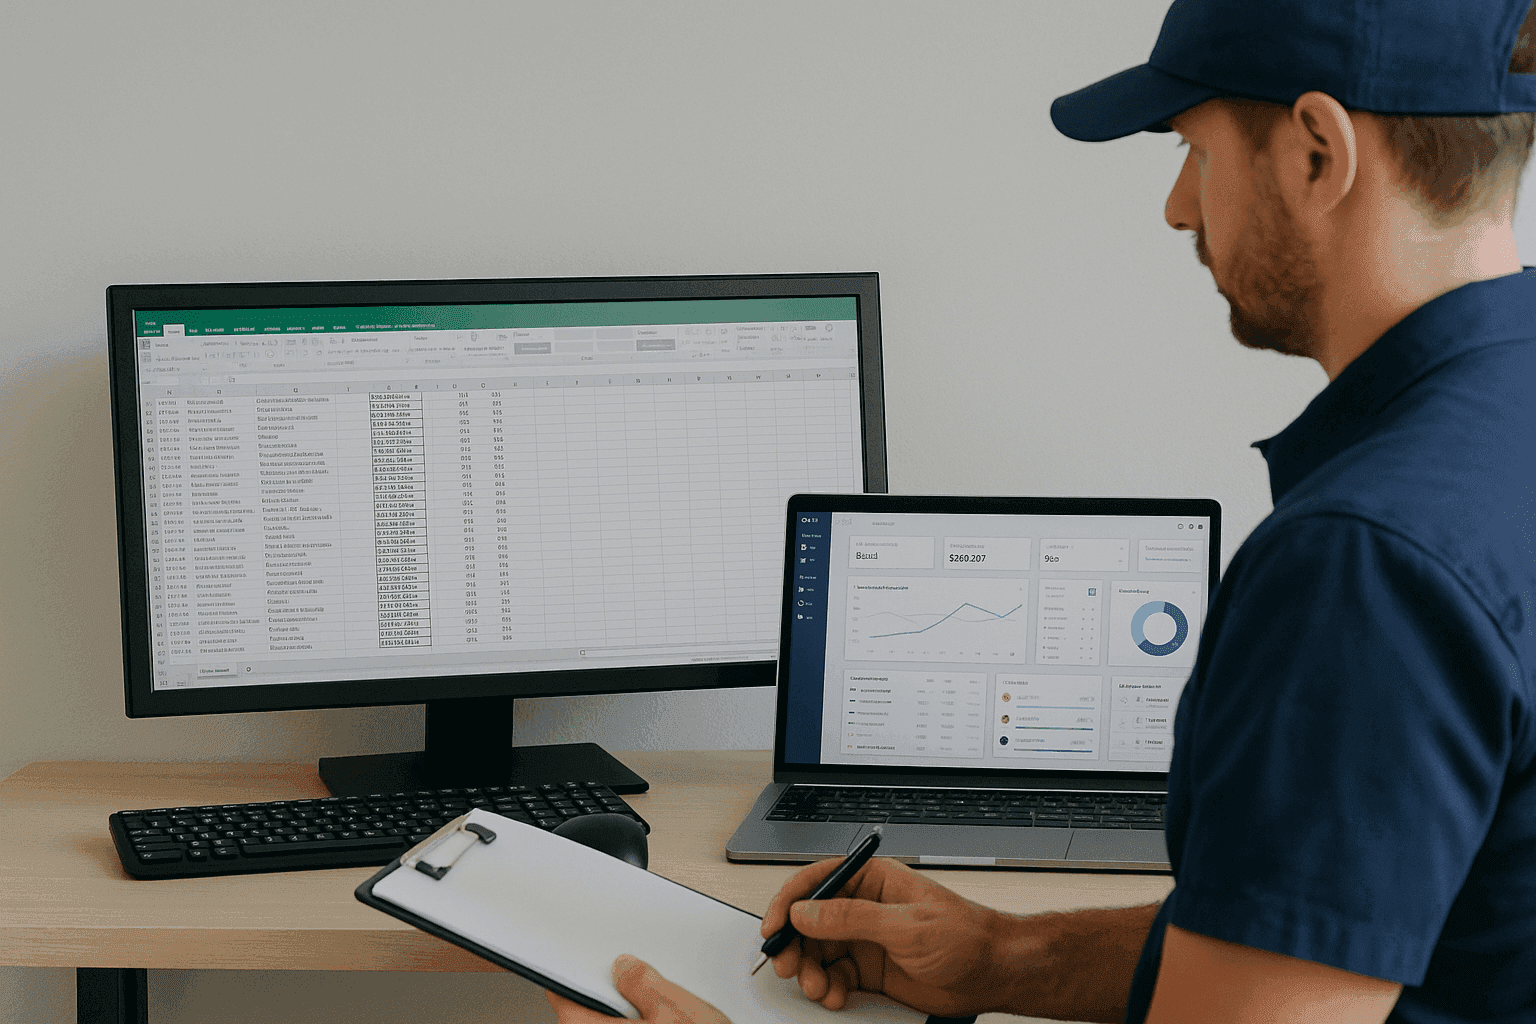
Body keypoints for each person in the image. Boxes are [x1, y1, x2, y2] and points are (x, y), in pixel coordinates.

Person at [548, 0, 1536, 1020]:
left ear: (1318, 152)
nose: (1177, 208)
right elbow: (1336, 928)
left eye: (1195, 151)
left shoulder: (1363, 565)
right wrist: (1001, 953)